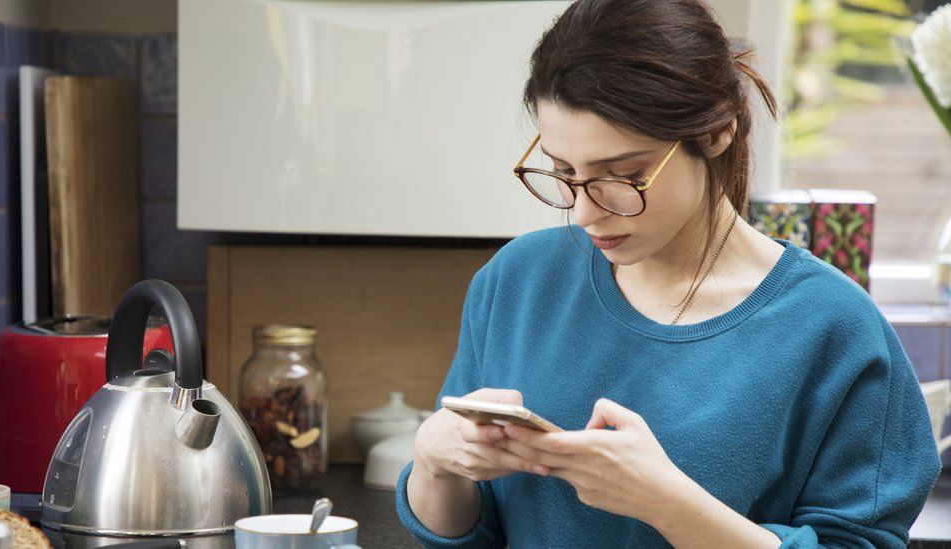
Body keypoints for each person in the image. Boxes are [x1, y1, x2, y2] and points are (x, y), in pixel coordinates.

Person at [394, 0, 943, 547]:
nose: (584, 212)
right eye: (564, 171)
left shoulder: (834, 330)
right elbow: (471, 532)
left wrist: (665, 503)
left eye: (625, 175)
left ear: (717, 132)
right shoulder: (517, 281)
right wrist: (435, 463)